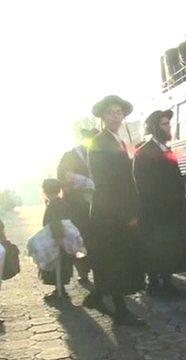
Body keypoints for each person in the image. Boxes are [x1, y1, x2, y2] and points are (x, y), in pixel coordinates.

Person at [84, 95, 145, 326]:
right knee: (116, 258)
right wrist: (127, 213)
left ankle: (99, 296)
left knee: (112, 258)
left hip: (115, 208)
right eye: (111, 112)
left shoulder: (117, 140)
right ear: (102, 116)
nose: (116, 116)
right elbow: (107, 182)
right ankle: (120, 310)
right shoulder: (100, 142)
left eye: (119, 112)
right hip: (109, 211)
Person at [133, 109, 186, 297]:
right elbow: (144, 184)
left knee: (168, 247)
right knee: (156, 246)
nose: (168, 127)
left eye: (168, 124)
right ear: (155, 127)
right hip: (156, 210)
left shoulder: (166, 149)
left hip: (171, 209)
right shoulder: (144, 152)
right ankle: (155, 282)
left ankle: (165, 280)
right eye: (164, 124)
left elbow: (172, 175)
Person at [57, 128, 98, 284]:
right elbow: (63, 176)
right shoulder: (70, 156)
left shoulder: (97, 156)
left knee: (96, 238)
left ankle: (97, 269)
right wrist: (81, 182)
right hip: (76, 205)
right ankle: (83, 271)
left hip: (96, 204)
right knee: (79, 238)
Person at [39, 179, 75, 300]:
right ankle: (60, 289)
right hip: (64, 238)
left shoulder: (54, 205)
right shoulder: (61, 203)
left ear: (45, 191)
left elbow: (56, 223)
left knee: (57, 265)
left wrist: (57, 238)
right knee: (61, 264)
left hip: (57, 239)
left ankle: (60, 291)